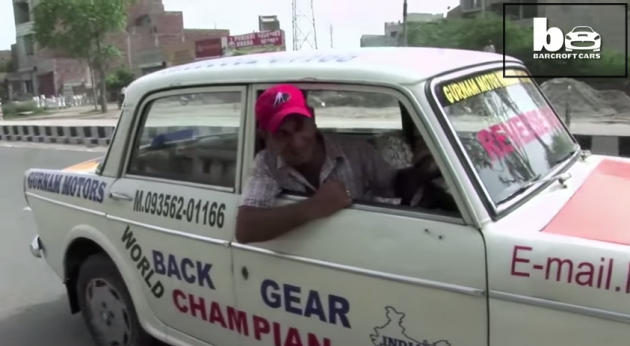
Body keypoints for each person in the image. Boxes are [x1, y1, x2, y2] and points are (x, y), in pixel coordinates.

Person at [235, 84, 402, 244]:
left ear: (313, 119)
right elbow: (245, 229)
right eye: (282, 134)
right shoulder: (267, 163)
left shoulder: (357, 152)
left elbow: (394, 192)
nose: (297, 142)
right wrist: (315, 205)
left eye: (300, 127)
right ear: (264, 136)